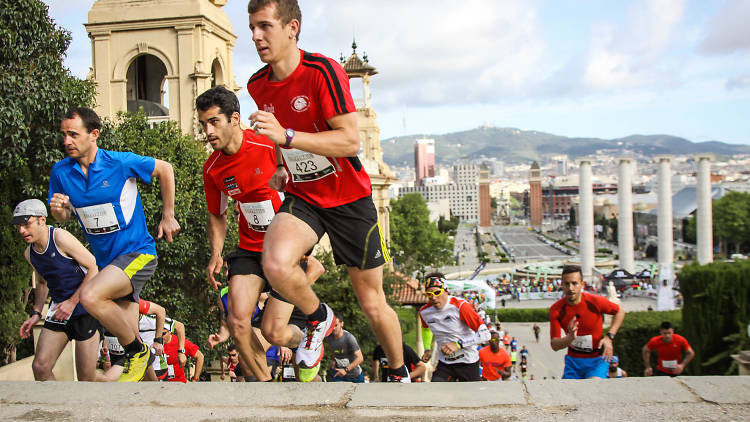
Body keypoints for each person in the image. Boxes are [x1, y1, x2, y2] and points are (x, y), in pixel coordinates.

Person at [246, 0, 407, 382]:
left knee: (371, 302)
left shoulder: (322, 71)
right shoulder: (257, 84)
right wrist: (283, 169)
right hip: (305, 197)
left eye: (265, 26)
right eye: (252, 27)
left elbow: (350, 141)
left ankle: (400, 374)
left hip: (349, 199)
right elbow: (278, 139)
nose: (256, 36)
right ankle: (320, 318)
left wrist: (287, 136)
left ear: (292, 28)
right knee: (276, 263)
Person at [198, 86, 326, 382]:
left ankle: (307, 337)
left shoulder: (269, 147)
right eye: (203, 123)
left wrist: (305, 242)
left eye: (213, 122)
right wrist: (216, 253)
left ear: (234, 119)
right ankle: (265, 390)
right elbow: (217, 214)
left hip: (285, 252)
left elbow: (307, 191)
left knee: (273, 332)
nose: (207, 130)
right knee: (238, 322)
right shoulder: (213, 169)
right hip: (249, 248)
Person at [49, 107, 180, 382]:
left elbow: (165, 169)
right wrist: (58, 209)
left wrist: (168, 215)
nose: (66, 141)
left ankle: (137, 349)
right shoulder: (61, 172)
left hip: (137, 253)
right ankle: (156, 399)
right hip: (108, 263)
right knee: (128, 336)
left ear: (94, 134)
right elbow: (62, 216)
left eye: (73, 134)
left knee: (91, 296)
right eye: (64, 135)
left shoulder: (119, 163)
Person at [14, 199, 101, 381]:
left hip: (85, 310)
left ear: (42, 220)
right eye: (18, 226)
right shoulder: (29, 253)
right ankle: (59, 408)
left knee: (86, 379)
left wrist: (72, 302)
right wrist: (36, 313)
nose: (22, 230)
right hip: (59, 311)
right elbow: (43, 282)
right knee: (40, 367)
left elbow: (94, 267)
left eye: (26, 224)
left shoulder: (59, 237)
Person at [549, 264, 625, 379]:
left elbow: (620, 312)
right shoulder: (556, 309)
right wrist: (569, 339)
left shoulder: (595, 301)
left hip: (597, 360)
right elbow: (554, 345)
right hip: (573, 362)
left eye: (574, 283)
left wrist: (610, 336)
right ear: (562, 285)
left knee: (593, 386)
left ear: (582, 285)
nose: (570, 288)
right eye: (566, 284)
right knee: (570, 393)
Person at [419, 273, 491, 382]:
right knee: (436, 393)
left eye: (437, 292)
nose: (433, 298)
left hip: (468, 362)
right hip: (446, 364)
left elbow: (485, 334)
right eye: (429, 294)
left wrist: (458, 344)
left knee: (472, 398)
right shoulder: (424, 312)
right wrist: (427, 348)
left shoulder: (461, 306)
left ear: (446, 290)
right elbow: (426, 329)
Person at [324, 314, 364, 383]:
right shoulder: (328, 337)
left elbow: (360, 358)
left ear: (342, 324)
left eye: (336, 325)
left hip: (354, 376)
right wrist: (333, 360)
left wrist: (345, 370)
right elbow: (333, 349)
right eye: (331, 326)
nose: (333, 328)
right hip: (338, 374)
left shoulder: (349, 338)